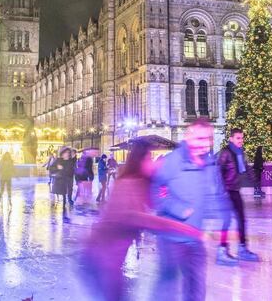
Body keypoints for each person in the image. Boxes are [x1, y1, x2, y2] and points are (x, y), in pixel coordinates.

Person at [80, 139, 201, 301]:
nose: (152, 162)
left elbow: (156, 202)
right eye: (149, 158)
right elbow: (139, 218)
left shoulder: (139, 183)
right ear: (140, 160)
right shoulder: (128, 183)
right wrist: (180, 227)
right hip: (102, 258)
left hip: (109, 259)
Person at [150, 119, 230, 300]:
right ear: (189, 136)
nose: (205, 144)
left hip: (195, 237)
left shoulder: (209, 163)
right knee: (168, 286)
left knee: (197, 285)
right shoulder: (173, 161)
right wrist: (178, 209)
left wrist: (224, 219)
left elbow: (215, 195)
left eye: (208, 139)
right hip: (171, 236)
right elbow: (155, 190)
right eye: (200, 138)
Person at [217, 128, 260, 264]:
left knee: (241, 220)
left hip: (235, 190)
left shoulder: (240, 153)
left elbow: (246, 168)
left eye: (242, 138)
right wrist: (221, 190)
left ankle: (242, 249)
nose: (241, 141)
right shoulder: (226, 153)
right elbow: (218, 172)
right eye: (238, 138)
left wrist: (256, 183)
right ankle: (222, 250)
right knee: (226, 221)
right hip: (226, 191)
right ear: (231, 139)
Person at [49, 147, 75, 222]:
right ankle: (56, 213)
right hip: (59, 181)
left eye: (68, 153)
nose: (67, 154)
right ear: (62, 154)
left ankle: (64, 210)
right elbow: (51, 168)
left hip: (67, 181)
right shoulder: (58, 160)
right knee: (60, 194)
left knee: (65, 195)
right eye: (65, 153)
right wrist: (58, 167)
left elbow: (71, 171)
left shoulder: (70, 161)